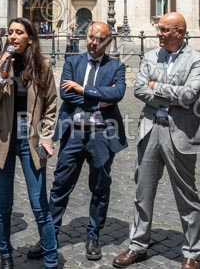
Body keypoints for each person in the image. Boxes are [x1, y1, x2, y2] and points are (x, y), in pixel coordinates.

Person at [113, 13, 200, 269]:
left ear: (180, 31)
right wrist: (168, 94)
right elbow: (139, 90)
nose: (159, 34)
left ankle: (191, 252)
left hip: (181, 132)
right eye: (158, 29)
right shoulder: (151, 56)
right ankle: (137, 245)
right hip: (150, 128)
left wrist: (158, 87)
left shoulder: (197, 59)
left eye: (165, 30)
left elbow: (189, 95)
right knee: (142, 190)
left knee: (186, 194)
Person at [35, 21, 125, 262]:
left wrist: (82, 89)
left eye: (100, 39)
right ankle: (49, 235)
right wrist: (98, 96)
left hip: (101, 134)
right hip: (73, 132)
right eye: (91, 37)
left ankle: (93, 235)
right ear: (86, 37)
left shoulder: (116, 66)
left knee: (100, 187)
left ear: (108, 41)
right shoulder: (73, 62)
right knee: (60, 185)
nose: (94, 43)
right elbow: (66, 93)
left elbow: (118, 94)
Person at [0, 17, 58, 269]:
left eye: (19, 32)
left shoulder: (43, 65)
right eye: (11, 32)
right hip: (2, 135)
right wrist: (2, 75)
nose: (13, 37)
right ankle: (5, 256)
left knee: (39, 203)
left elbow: (50, 106)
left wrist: (46, 137)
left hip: (32, 136)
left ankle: (51, 259)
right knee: (3, 204)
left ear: (30, 38)